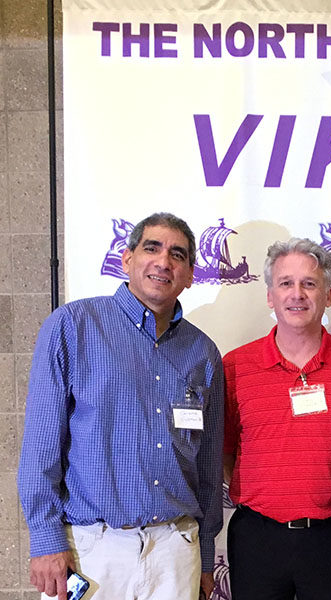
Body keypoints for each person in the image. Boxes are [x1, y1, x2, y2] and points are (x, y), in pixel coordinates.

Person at [18, 212, 224, 600]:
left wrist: (207, 555)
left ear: (190, 274)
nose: (164, 262)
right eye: (152, 248)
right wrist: (45, 539)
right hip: (92, 549)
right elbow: (40, 447)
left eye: (177, 254)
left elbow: (208, 466)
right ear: (127, 258)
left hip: (176, 550)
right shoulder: (72, 326)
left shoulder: (203, 352)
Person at [223, 238, 331, 600]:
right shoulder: (235, 366)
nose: (297, 294)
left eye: (310, 283)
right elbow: (225, 451)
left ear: (328, 295)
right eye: (285, 283)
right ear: (270, 296)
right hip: (258, 538)